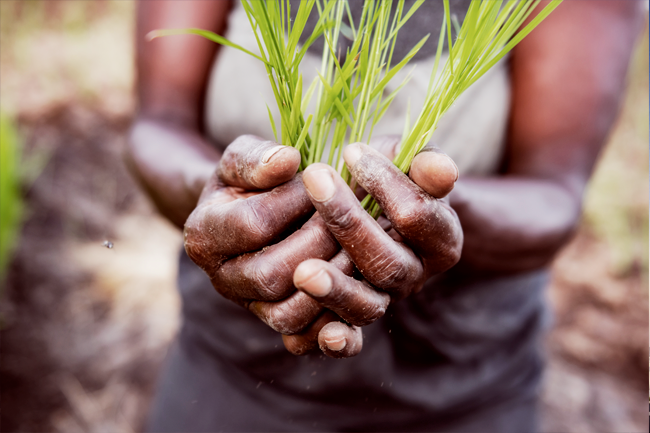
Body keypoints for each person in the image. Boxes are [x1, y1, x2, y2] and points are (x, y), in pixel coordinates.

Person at [126, 1, 643, 431]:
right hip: (231, 368)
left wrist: (421, 210)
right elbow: (158, 124)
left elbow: (553, 196)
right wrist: (224, 199)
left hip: (460, 391)